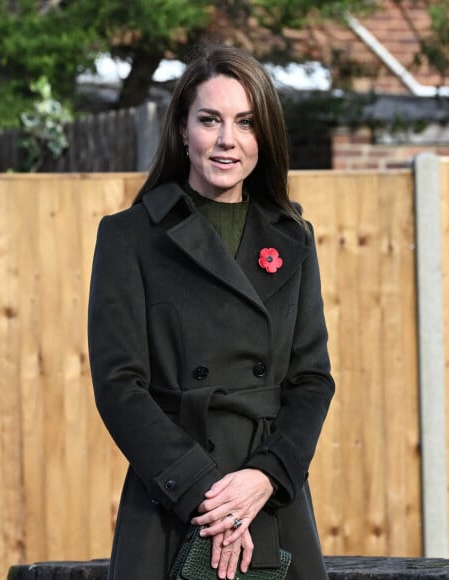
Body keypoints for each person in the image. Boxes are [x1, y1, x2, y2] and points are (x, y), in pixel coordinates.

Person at [88, 44, 335, 580]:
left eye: (246, 122)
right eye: (210, 120)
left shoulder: (294, 237)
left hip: (269, 503)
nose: (228, 140)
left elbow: (312, 380)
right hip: (173, 500)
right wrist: (209, 495)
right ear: (182, 129)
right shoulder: (130, 238)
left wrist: (265, 478)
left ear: (263, 137)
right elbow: (119, 385)